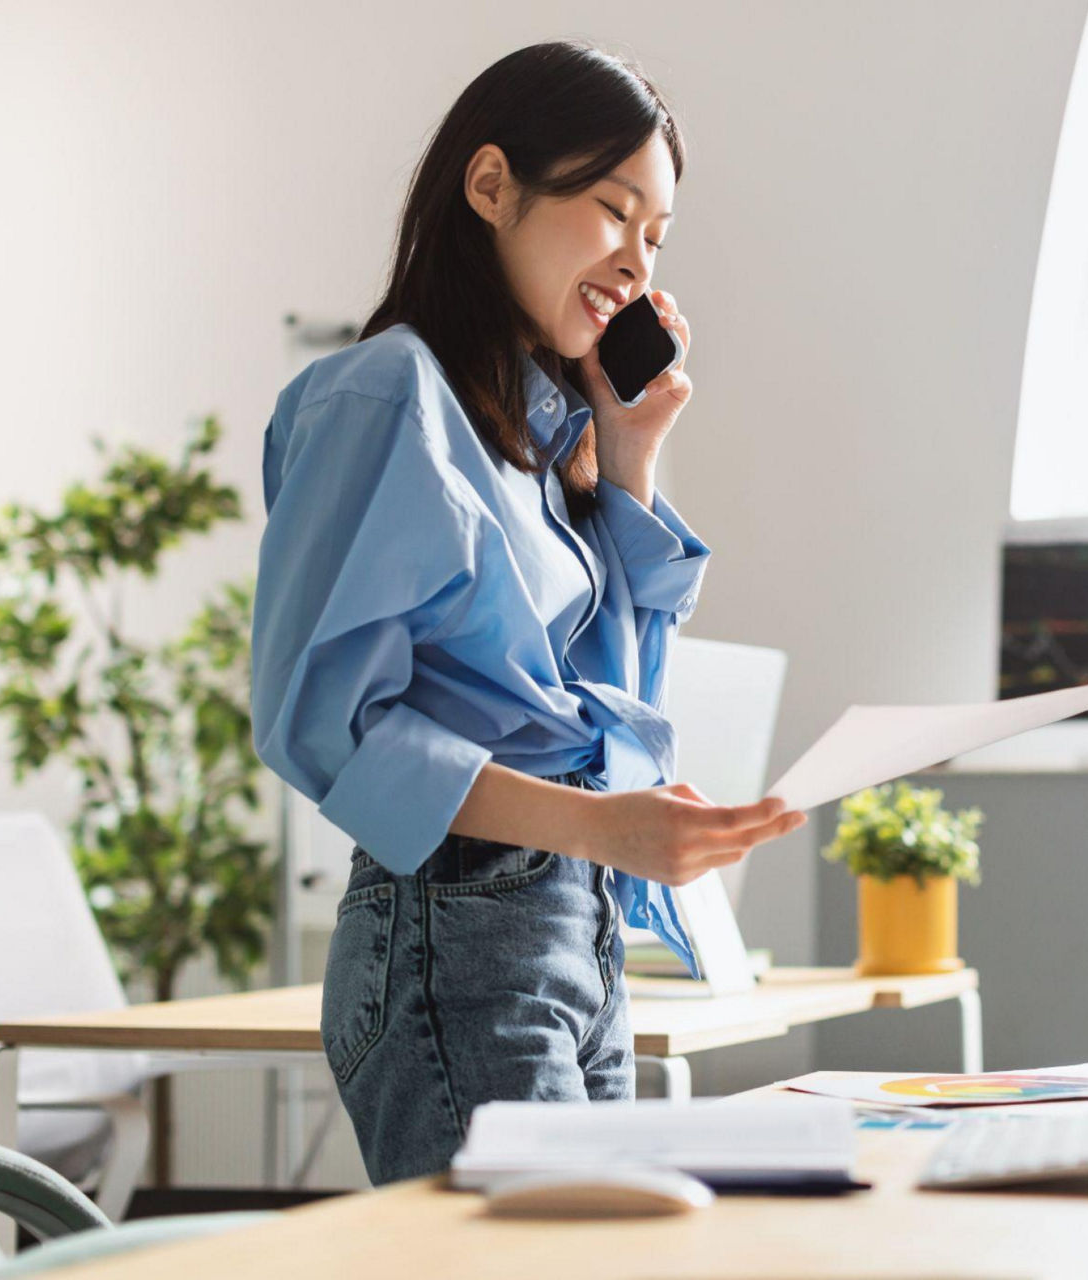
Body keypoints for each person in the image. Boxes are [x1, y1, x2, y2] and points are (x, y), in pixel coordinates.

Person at [250, 38, 807, 1185]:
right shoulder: (380, 396)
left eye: (657, 241)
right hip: (453, 929)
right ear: (492, 184)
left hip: (571, 923)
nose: (636, 266)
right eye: (614, 212)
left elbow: (615, 701)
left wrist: (628, 453)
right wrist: (597, 827)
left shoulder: (545, 439)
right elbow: (321, 722)